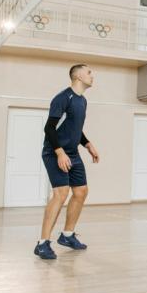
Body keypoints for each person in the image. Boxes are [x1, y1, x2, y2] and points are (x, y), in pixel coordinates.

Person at [35, 64, 100, 260]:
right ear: (78, 75)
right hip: (55, 152)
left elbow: (74, 128)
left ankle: (67, 235)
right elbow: (49, 128)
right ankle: (42, 243)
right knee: (61, 194)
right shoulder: (63, 98)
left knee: (81, 192)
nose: (92, 75)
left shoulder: (83, 101)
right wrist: (59, 152)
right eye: (89, 72)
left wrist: (87, 144)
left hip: (72, 152)